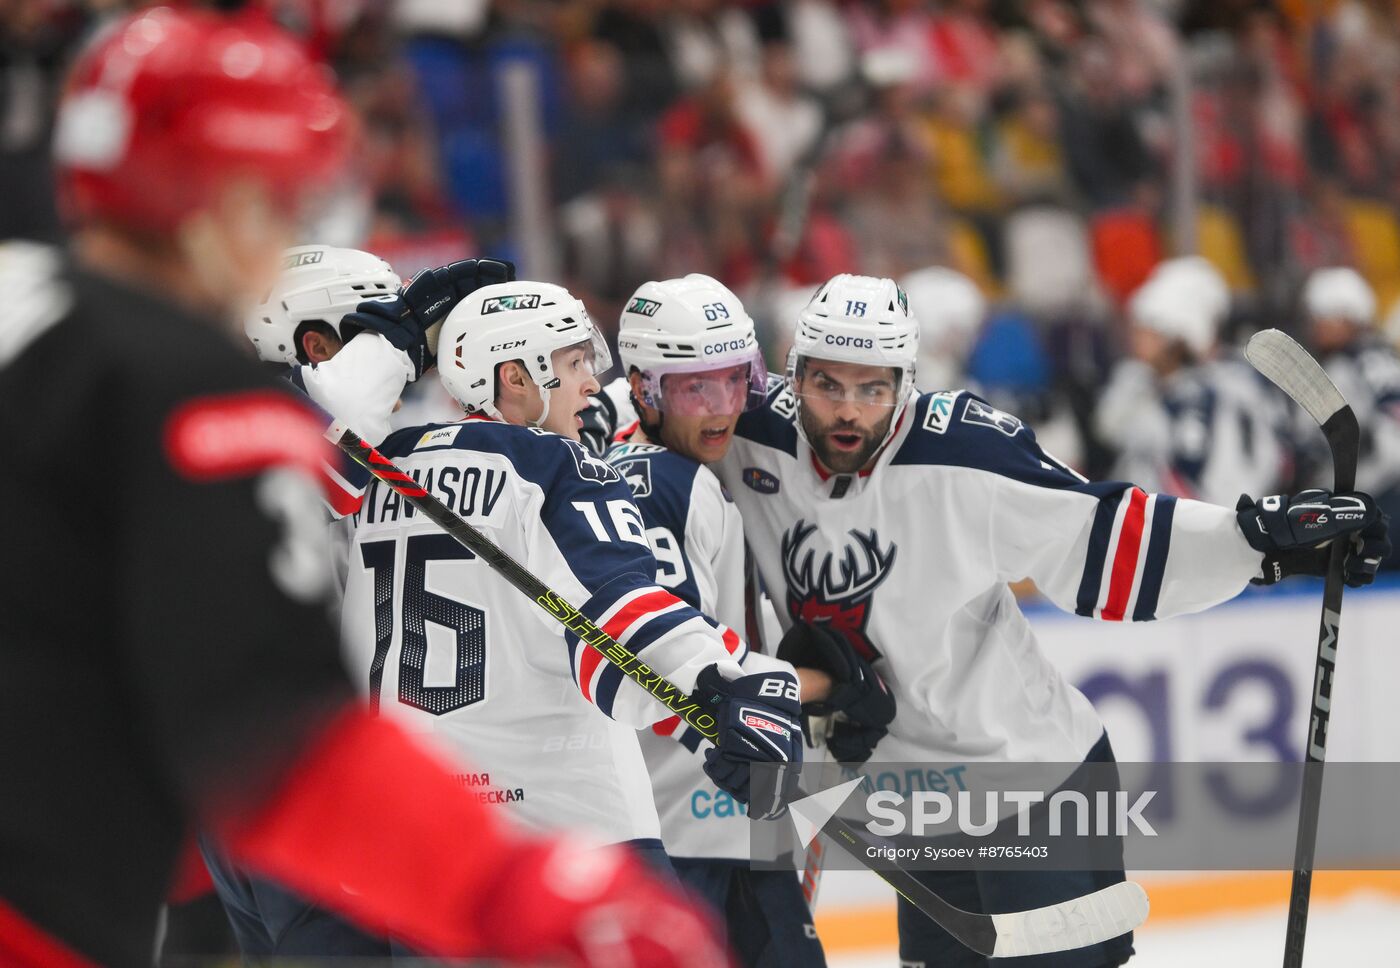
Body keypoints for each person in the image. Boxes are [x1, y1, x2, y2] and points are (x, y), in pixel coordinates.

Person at [0, 9, 723, 967]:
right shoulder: (187, 389)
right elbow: (284, 741)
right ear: (217, 197)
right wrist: (518, 888)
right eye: (278, 202)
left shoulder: (23, 307)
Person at [585, 271, 1389, 968]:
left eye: (875, 388)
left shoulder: (968, 452)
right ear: (791, 377)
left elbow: (1111, 538)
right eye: (828, 384)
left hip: (1036, 779)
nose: (849, 413)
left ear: (908, 378)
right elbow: (644, 396)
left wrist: (1263, 541)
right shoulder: (748, 428)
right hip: (911, 799)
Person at [337, 278, 805, 885]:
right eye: (574, 361)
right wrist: (719, 688)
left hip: (411, 841)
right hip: (564, 830)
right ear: (515, 376)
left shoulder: (371, 472)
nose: (591, 381)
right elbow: (616, 613)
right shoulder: (555, 464)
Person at [606, 274, 894, 966]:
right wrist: (820, 685)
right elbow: (682, 666)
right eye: (695, 388)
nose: (723, 408)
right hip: (691, 819)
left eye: (736, 381)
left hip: (699, 815)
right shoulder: (674, 486)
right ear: (645, 388)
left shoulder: (626, 458)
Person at [1095, 256, 1292, 505]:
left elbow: (1226, 483)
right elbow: (1110, 431)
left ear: (1176, 337)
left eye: (1148, 329)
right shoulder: (1141, 381)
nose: (1136, 337)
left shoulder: (1214, 395)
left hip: (1194, 529)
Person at [1301, 266, 1400, 569]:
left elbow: (1384, 438)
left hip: (1375, 495)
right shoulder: (1381, 357)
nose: (1318, 324)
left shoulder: (1351, 365)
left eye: (1325, 315)